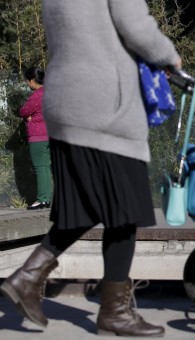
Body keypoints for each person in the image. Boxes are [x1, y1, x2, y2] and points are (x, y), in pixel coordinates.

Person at [0, 1, 182, 337]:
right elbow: (135, 25)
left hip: (65, 102)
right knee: (125, 212)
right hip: (102, 103)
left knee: (84, 207)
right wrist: (168, 55)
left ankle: (27, 278)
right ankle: (113, 313)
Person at [19, 66, 52, 210]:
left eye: (27, 80)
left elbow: (23, 111)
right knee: (45, 168)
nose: (27, 83)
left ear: (33, 80)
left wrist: (28, 117)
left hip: (38, 137)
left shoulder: (37, 95)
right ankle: (45, 199)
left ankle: (42, 199)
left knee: (40, 168)